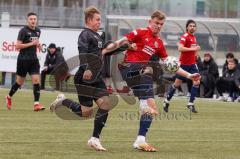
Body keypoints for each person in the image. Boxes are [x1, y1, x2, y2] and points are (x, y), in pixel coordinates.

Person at [103, 11, 200, 152]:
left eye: (161, 24)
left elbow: (170, 64)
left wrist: (190, 76)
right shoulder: (141, 32)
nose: (158, 26)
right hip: (127, 68)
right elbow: (120, 42)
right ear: (150, 22)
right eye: (156, 23)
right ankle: (146, 105)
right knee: (148, 70)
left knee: (149, 104)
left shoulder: (159, 43)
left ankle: (140, 140)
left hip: (140, 75)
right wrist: (104, 51)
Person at [50, 6, 114, 151]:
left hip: (96, 78)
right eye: (97, 19)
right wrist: (87, 68)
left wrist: (125, 47)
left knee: (105, 104)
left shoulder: (97, 36)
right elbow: (83, 53)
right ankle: (63, 101)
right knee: (86, 113)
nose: (99, 22)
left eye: (100, 19)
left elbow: (104, 52)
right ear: (89, 20)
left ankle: (94, 139)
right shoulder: (85, 34)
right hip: (84, 77)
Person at [5, 12, 45, 111]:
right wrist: (32, 43)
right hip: (23, 60)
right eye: (31, 19)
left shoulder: (38, 31)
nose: (33, 21)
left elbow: (36, 42)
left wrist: (38, 45)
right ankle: (9, 96)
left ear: (36, 20)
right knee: (19, 82)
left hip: (34, 60)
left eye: (34, 19)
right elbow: (18, 46)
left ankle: (36, 104)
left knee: (36, 80)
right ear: (28, 20)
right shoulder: (23, 31)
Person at [163, 19, 201, 113]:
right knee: (176, 84)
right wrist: (193, 49)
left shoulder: (193, 37)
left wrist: (196, 54)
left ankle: (190, 103)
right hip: (183, 65)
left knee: (197, 81)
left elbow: (193, 49)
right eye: (190, 26)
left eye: (194, 26)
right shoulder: (185, 36)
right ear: (187, 27)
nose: (192, 27)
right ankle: (166, 101)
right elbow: (180, 48)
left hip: (192, 64)